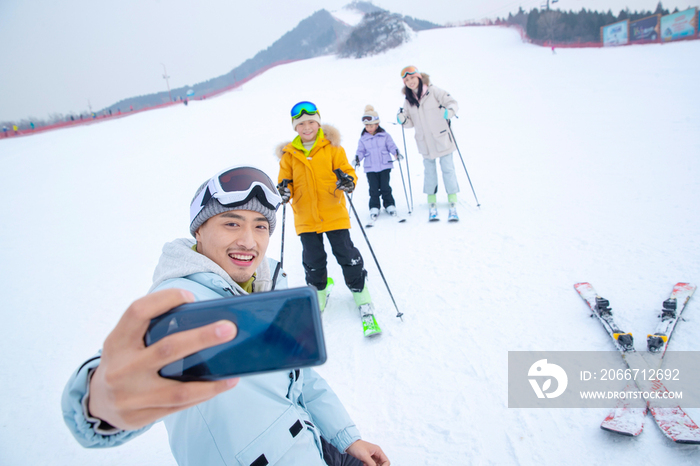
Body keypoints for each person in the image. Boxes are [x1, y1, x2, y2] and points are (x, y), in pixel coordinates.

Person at [61, 166, 390, 466]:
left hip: (311, 443)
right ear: (199, 231)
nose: (248, 241)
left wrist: (346, 437)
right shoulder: (181, 302)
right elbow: (119, 376)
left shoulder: (266, 285)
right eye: (231, 223)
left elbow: (300, 376)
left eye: (260, 226)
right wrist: (99, 403)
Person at [275, 101, 376, 327]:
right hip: (306, 217)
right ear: (295, 128)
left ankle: (360, 291)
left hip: (334, 213)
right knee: (313, 259)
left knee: (346, 254)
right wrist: (283, 191)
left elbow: (348, 172)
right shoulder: (289, 155)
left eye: (311, 122)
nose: (307, 127)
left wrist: (348, 181)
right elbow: (285, 183)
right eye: (301, 124)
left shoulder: (332, 147)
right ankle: (319, 291)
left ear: (318, 123)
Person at [396, 66, 460, 222]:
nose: (410, 82)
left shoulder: (434, 91)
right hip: (424, 143)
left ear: (419, 77)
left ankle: (452, 199)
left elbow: (452, 102)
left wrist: (449, 111)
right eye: (407, 80)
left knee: (448, 169)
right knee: (429, 172)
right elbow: (409, 123)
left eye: (412, 78)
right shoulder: (408, 100)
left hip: (442, 139)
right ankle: (432, 201)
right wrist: (403, 120)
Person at [355, 105, 401, 222]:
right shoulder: (363, 139)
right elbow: (361, 151)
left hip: (385, 165)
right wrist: (357, 159)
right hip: (370, 168)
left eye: (371, 125)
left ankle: (389, 204)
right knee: (373, 189)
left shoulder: (385, 136)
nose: (369, 128)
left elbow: (391, 146)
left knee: (385, 187)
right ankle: (374, 207)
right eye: (366, 126)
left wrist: (396, 153)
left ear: (377, 124)